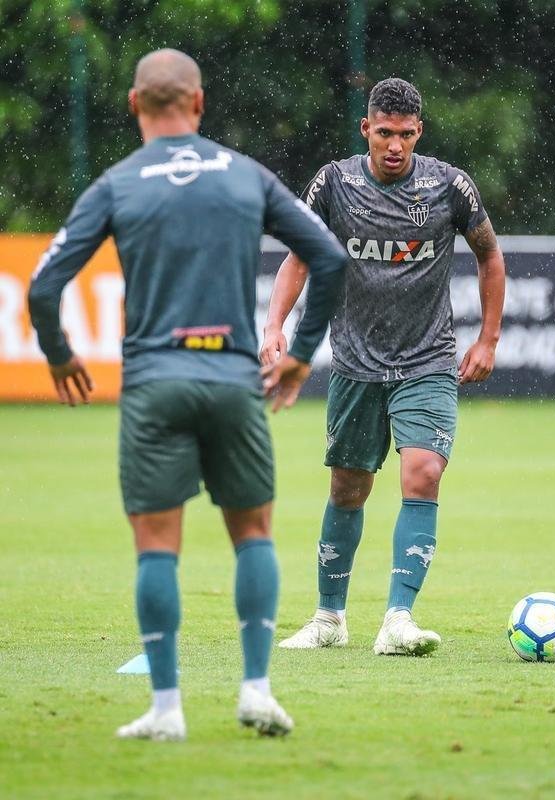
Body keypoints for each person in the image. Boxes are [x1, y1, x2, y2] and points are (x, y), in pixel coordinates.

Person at [28, 49, 347, 740]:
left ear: (133, 105)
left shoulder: (116, 184)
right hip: (234, 379)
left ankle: (167, 710)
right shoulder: (246, 175)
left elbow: (43, 286)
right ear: (198, 104)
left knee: (156, 550)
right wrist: (296, 357)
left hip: (154, 383)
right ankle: (257, 691)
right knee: (253, 533)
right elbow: (329, 256)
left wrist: (59, 356)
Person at [261, 78, 505, 656]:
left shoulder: (450, 187)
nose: (394, 145)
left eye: (406, 134)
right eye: (384, 132)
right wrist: (274, 324)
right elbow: (299, 256)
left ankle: (398, 619)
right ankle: (328, 619)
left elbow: (489, 256)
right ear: (366, 128)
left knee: (423, 472)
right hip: (355, 362)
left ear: (419, 132)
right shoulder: (335, 183)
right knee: (349, 487)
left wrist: (488, 339)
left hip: (428, 359)